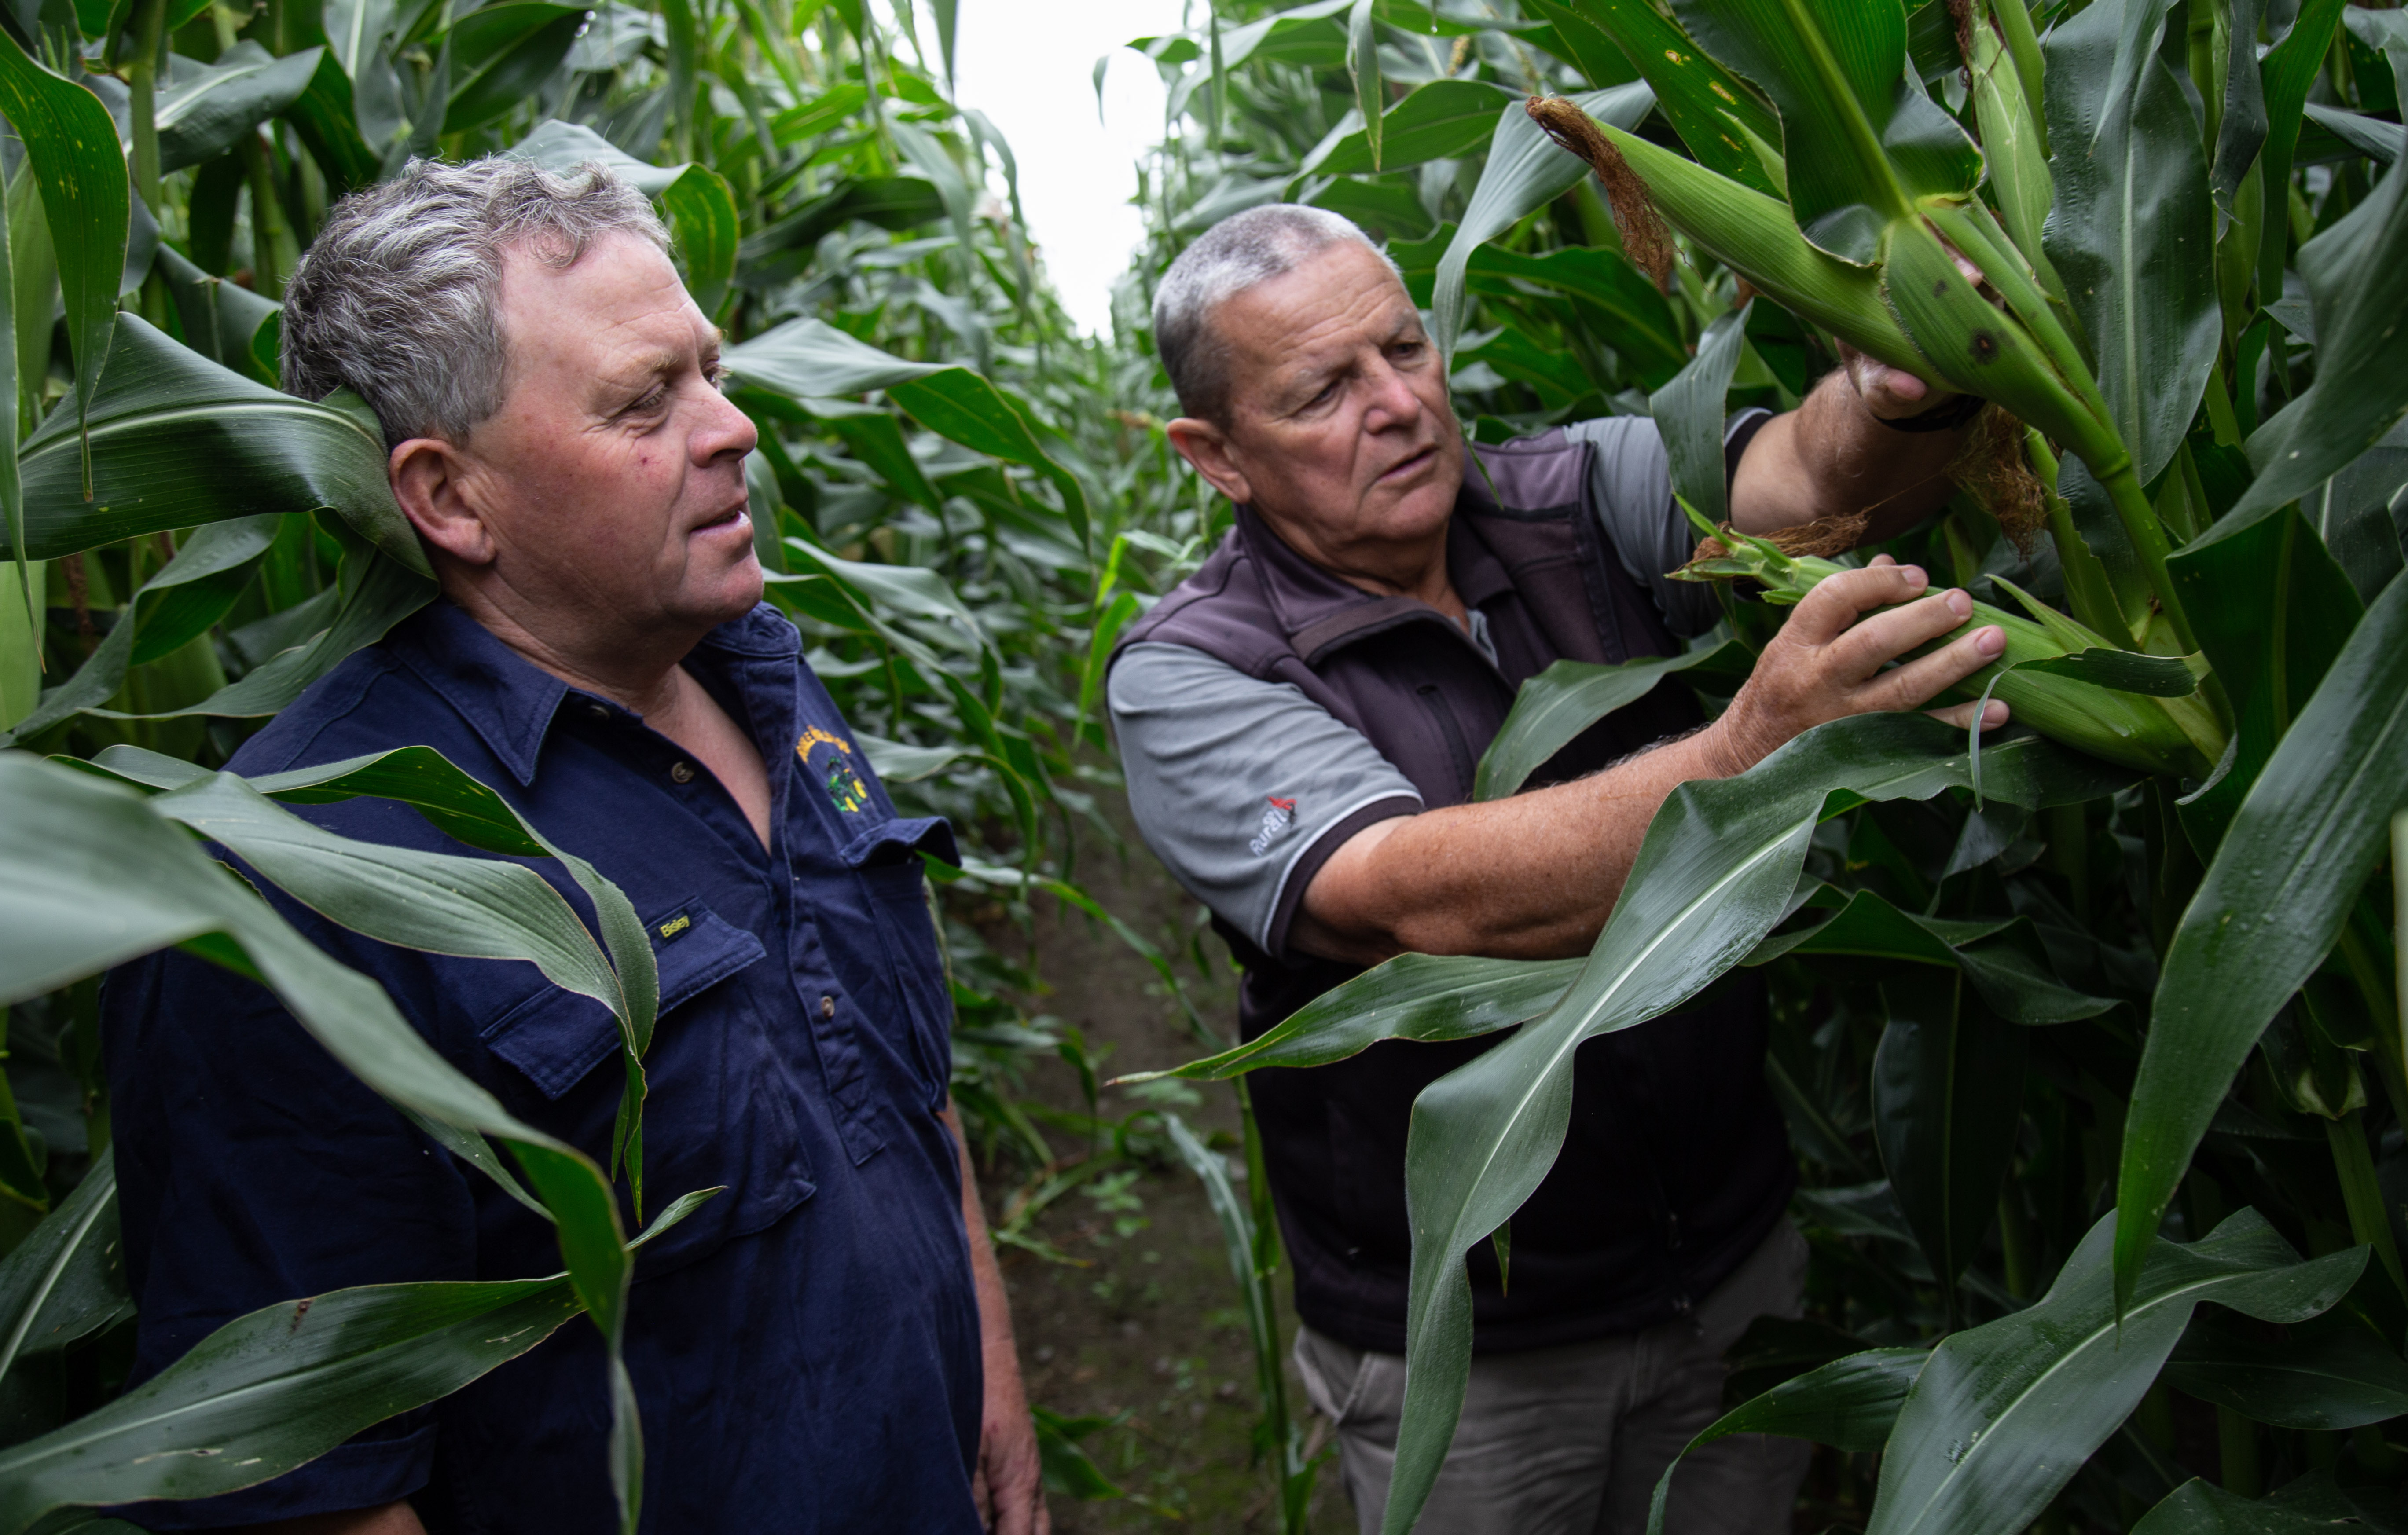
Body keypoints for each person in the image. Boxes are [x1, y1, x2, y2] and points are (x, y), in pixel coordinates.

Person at [101, 158, 1048, 1535]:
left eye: (709, 372)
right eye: (643, 402)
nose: (733, 429)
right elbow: (306, 1481)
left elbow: (898, 1092)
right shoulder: (310, 877)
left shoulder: (771, 684)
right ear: (451, 497)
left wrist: (993, 1378)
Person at [1106, 205, 2009, 1535]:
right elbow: (1417, 895)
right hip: (1471, 1352)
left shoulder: (1589, 493)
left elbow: (1814, 491)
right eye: (1323, 393)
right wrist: (1758, 744)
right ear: (1215, 455)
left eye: (1405, 350)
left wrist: (1895, 386)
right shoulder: (1194, 675)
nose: (1399, 405)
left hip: (1734, 1271)